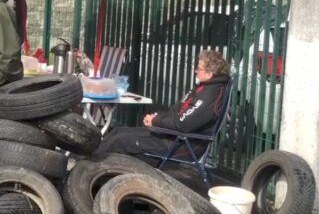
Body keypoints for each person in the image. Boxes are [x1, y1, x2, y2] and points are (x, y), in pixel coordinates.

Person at [95, 50, 231, 158]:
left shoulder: (210, 95)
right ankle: (89, 160)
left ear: (209, 73)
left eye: (199, 69)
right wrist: (157, 117)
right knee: (117, 131)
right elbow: (176, 111)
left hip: (183, 145)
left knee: (120, 141)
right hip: (171, 135)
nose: (195, 71)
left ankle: (87, 169)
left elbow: (183, 124)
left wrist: (157, 120)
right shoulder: (203, 87)